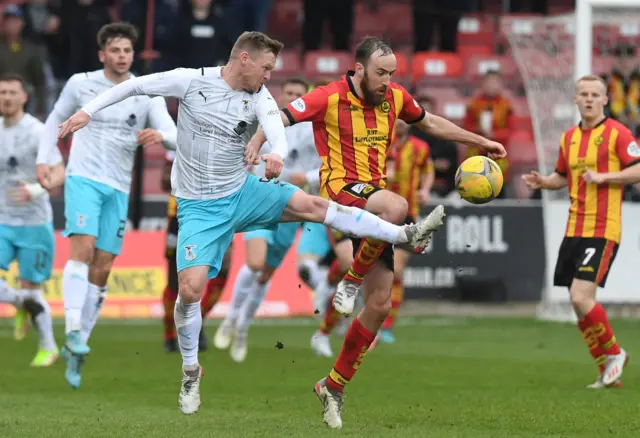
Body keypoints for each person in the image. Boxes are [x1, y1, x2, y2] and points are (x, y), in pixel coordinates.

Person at [54, 31, 440, 415]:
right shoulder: (191, 81)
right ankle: (191, 371)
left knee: (313, 205)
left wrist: (278, 155)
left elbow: (275, 127)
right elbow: (135, 86)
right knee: (189, 290)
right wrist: (89, 110)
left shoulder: (260, 97)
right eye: (267, 67)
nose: (269, 75)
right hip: (199, 208)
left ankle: (403, 232)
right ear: (244, 59)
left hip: (243, 191)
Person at [247, 36, 505, 428]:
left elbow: (431, 122)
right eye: (381, 73)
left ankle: (332, 385)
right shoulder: (328, 97)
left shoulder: (395, 97)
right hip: (339, 193)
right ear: (360, 69)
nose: (387, 80)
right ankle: (349, 281)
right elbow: (279, 117)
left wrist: (479, 141)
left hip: (371, 207)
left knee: (381, 303)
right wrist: (260, 144)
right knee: (398, 206)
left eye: (392, 73)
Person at [35, 23, 178, 389]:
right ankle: (71, 332)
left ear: (133, 54)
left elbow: (175, 136)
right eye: (115, 50)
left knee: (104, 267)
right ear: (102, 54)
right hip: (83, 179)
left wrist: (160, 135)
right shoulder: (81, 83)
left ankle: (79, 340)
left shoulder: (146, 93)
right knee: (81, 250)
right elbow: (54, 120)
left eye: (127, 51)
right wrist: (47, 158)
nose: (122, 56)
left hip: (118, 188)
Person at [522, 74, 637, 389]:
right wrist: (546, 182)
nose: (588, 99)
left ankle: (614, 353)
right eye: (583, 94)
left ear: (604, 100)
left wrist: (605, 177)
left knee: (580, 295)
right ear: (575, 99)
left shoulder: (617, 133)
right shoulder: (568, 137)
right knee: (577, 302)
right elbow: (563, 175)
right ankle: (607, 372)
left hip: (602, 228)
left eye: (594, 94)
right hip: (574, 228)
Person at [213, 77, 329, 363]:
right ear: (280, 95)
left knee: (265, 273)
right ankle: (230, 319)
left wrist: (309, 178)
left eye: (298, 94)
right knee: (254, 263)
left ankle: (242, 328)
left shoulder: (314, 131)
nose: (292, 97)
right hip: (260, 202)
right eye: (288, 93)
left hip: (291, 209)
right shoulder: (263, 124)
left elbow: (328, 167)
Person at [0, 73, 64, 366]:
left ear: (24, 97)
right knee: (24, 294)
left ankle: (48, 347)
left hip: (34, 223)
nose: (6, 98)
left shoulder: (38, 132)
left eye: (12, 92)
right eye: (2, 93)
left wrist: (37, 189)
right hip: (3, 219)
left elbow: (60, 171)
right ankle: (18, 301)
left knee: (32, 287)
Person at [161, 150, 231, 353]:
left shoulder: (222, 139)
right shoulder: (176, 143)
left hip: (217, 216)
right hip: (180, 219)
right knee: (176, 282)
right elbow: (164, 181)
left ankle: (194, 322)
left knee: (222, 272)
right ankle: (169, 335)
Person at [377, 119, 434, 344]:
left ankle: (388, 326)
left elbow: (427, 170)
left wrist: (426, 189)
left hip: (408, 214)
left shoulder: (420, 147)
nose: (399, 122)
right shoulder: (379, 143)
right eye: (396, 117)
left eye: (404, 118)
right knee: (374, 271)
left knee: (397, 271)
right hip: (378, 214)